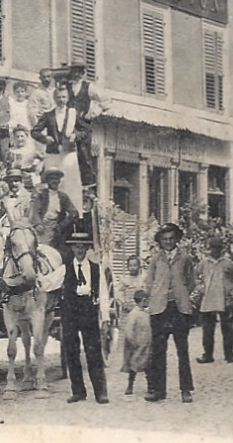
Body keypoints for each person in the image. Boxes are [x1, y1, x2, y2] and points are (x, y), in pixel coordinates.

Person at [144, 223, 196, 404]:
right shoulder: (155, 260)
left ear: (177, 239)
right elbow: (149, 283)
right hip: (159, 310)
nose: (168, 242)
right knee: (158, 351)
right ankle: (158, 390)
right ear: (159, 241)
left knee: (182, 350)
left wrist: (180, 294)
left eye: (171, 238)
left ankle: (186, 390)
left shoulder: (185, 259)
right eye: (164, 239)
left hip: (179, 309)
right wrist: (158, 296)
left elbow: (191, 282)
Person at [60, 230, 109, 404]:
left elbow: (103, 293)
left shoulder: (96, 268)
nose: (80, 250)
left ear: (87, 248)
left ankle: (100, 393)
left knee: (93, 351)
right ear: (72, 248)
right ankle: (78, 391)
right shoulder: (64, 268)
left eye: (83, 247)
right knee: (72, 352)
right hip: (70, 314)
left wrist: (105, 319)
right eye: (76, 247)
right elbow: (48, 282)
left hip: (88, 311)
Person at [30, 85, 83, 209]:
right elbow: (34, 131)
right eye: (58, 97)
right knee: (52, 182)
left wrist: (76, 136)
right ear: (54, 98)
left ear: (68, 98)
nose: (61, 99)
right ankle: (51, 210)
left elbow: (85, 131)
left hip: (68, 152)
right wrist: (45, 138)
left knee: (70, 183)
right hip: (52, 154)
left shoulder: (73, 113)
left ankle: (73, 211)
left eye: (64, 97)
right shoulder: (49, 115)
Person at [193, 234, 233, 364]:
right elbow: (195, 276)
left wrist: (231, 291)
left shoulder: (228, 263)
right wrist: (200, 288)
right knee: (207, 329)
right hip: (208, 299)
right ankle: (208, 354)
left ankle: (229, 354)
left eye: (217, 248)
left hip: (224, 299)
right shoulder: (204, 263)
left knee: (228, 328)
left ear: (222, 249)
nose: (214, 251)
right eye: (212, 248)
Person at [66, 62, 108, 186]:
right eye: (75, 71)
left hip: (82, 124)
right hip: (68, 124)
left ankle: (87, 183)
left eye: (80, 71)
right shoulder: (66, 87)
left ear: (83, 73)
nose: (77, 74)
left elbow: (106, 101)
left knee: (83, 153)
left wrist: (93, 113)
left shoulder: (89, 87)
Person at [28, 167, 79, 253]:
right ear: (47, 181)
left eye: (56, 179)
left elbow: (74, 214)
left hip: (54, 228)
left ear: (59, 181)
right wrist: (38, 224)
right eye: (51, 179)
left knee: (51, 251)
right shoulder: (41, 195)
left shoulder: (63, 197)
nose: (54, 181)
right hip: (41, 228)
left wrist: (62, 225)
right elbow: (35, 211)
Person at [121, 288, 152, 396]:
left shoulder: (147, 313)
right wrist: (131, 340)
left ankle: (150, 387)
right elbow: (129, 329)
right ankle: (130, 385)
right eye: (147, 300)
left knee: (148, 367)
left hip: (146, 344)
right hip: (136, 345)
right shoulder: (134, 314)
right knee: (133, 367)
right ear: (143, 300)